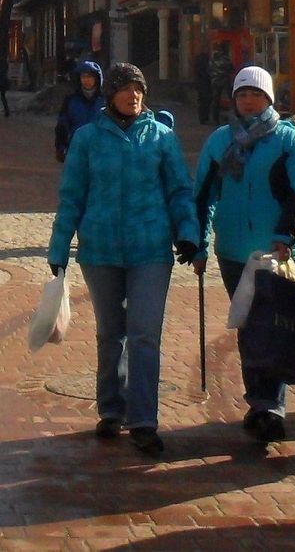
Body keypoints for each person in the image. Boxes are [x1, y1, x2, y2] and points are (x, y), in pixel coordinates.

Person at [46, 62, 200, 457]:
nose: (133, 95)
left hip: (151, 250)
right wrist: (59, 248)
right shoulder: (86, 138)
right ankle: (111, 409)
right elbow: (72, 196)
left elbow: (180, 190)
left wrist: (189, 233)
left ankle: (144, 420)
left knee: (145, 333)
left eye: (139, 89)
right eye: (125, 88)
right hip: (100, 250)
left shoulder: (162, 137)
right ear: (110, 94)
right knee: (110, 333)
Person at [193, 64, 295, 443]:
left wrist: (285, 237)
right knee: (249, 324)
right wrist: (198, 243)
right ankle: (258, 400)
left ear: (269, 99)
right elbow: (203, 195)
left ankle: (271, 406)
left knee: (273, 326)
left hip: (276, 251)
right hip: (232, 250)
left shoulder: (288, 141)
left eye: (256, 94)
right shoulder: (220, 141)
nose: (248, 101)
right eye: (242, 94)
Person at [54, 60, 104, 162]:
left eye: (90, 77)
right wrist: (60, 147)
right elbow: (62, 125)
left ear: (96, 78)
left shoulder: (106, 101)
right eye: (83, 77)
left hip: (101, 150)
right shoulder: (71, 100)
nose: (86, 80)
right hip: (76, 148)